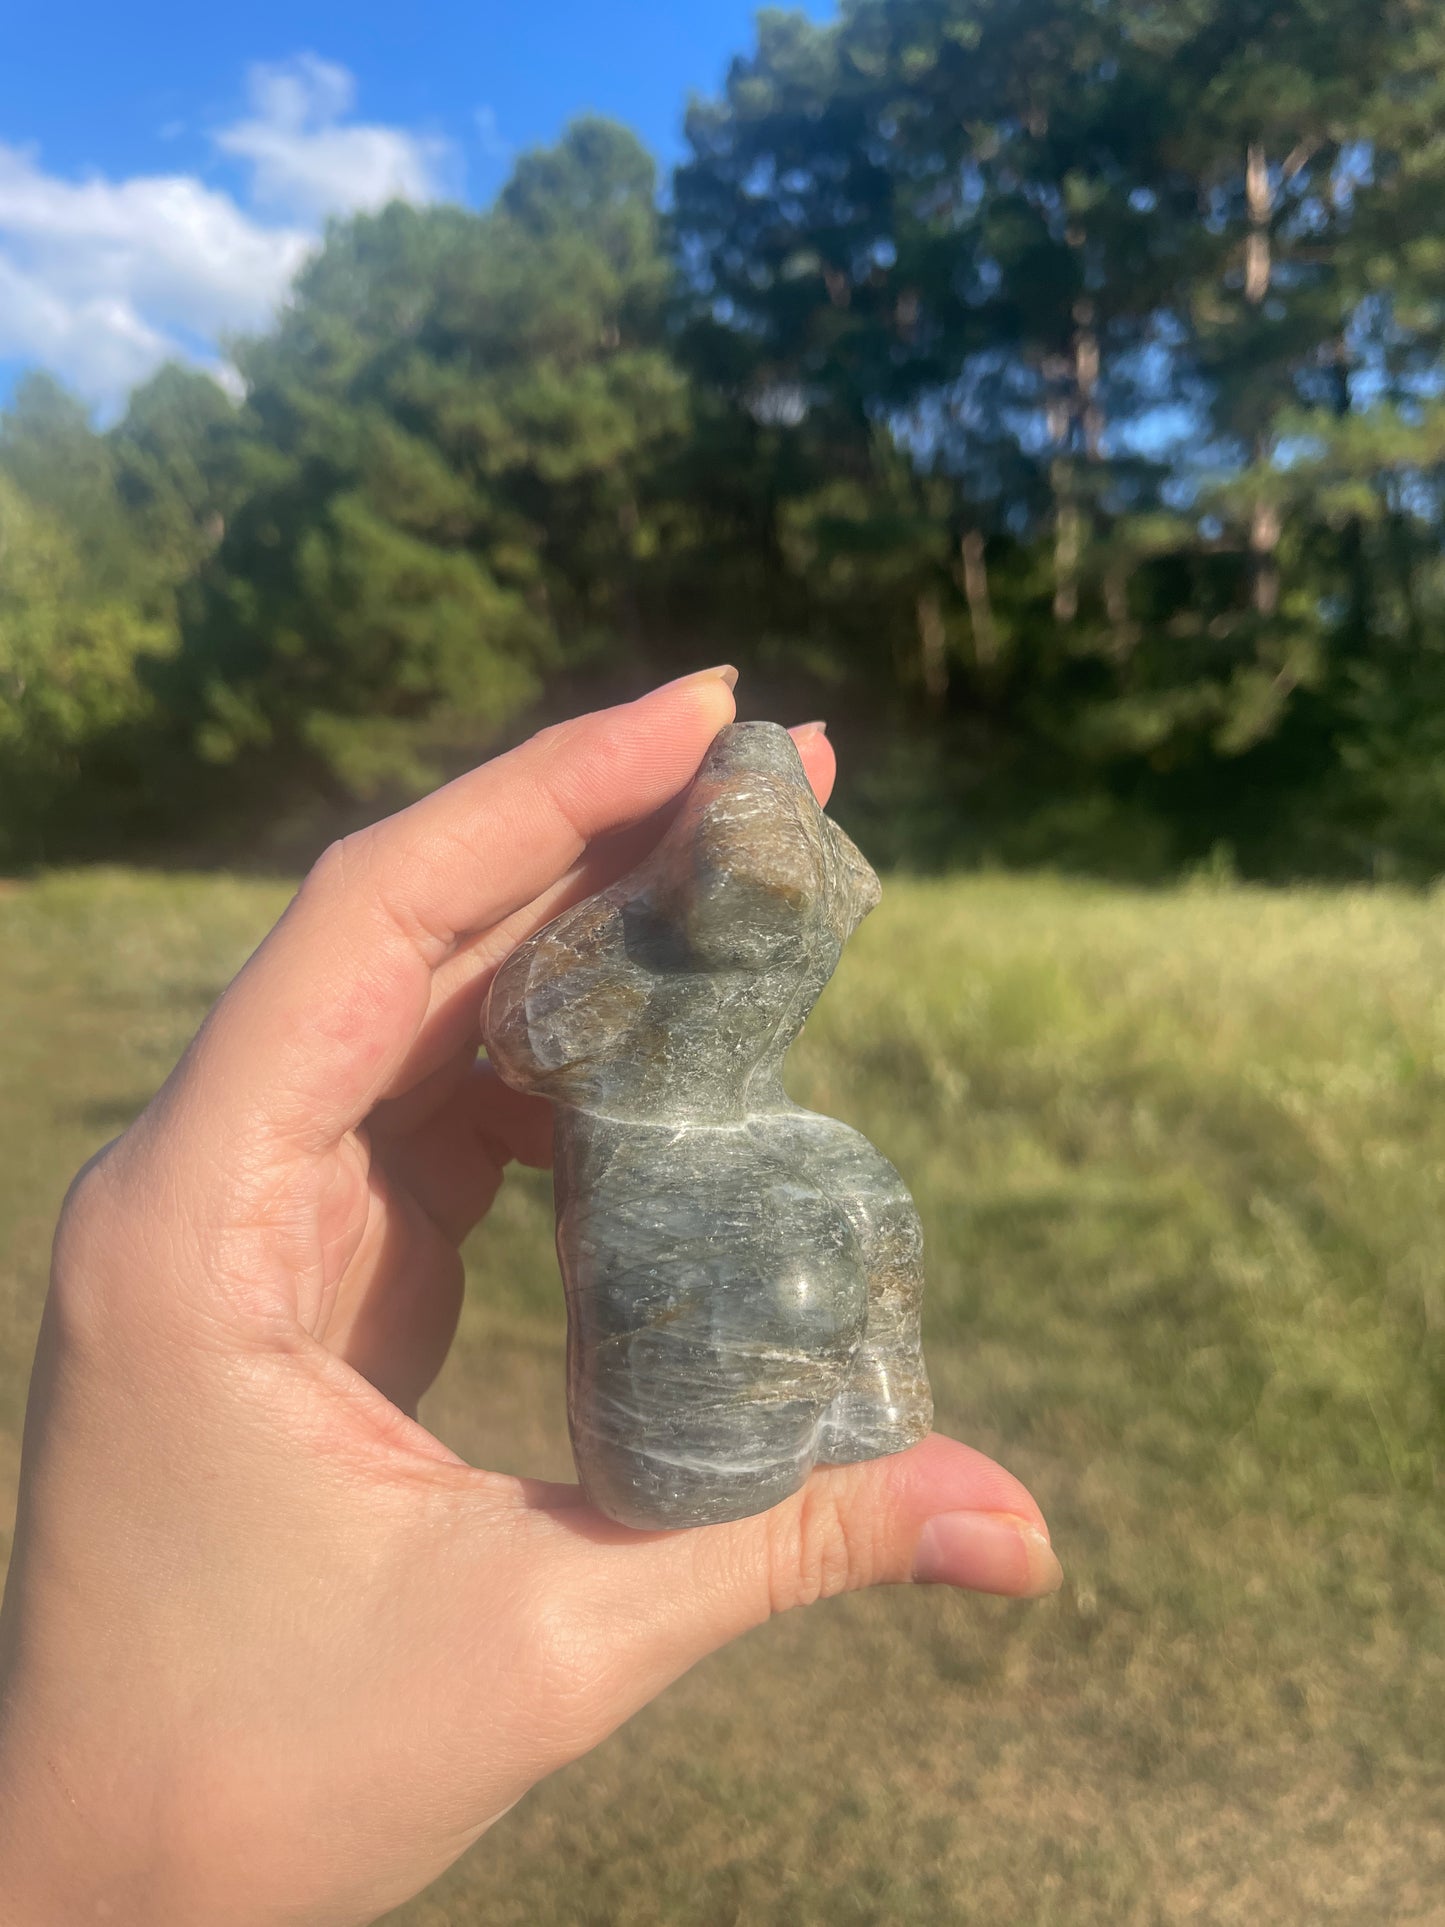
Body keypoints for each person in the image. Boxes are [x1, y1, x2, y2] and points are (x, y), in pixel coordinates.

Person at [0, 669, 1061, 1926]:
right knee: (772, 1279)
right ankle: (717, 1441)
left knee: (862, 1194)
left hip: (746, 1126)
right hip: (648, 1160)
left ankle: (860, 1402)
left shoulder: (812, 898)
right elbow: (523, 1035)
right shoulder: (640, 922)